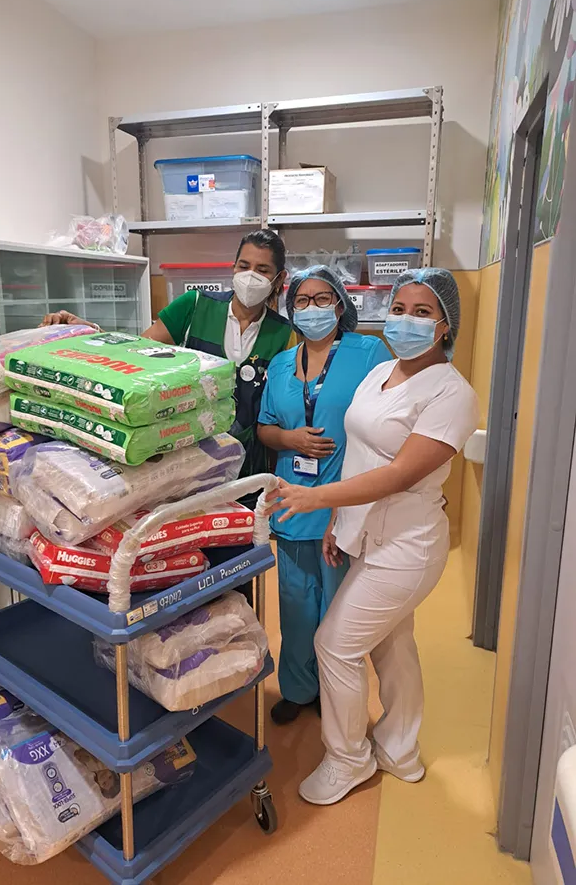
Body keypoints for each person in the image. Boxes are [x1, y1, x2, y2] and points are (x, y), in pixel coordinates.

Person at [268, 268, 479, 805]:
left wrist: (319, 499)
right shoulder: (382, 372)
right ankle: (400, 750)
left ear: (446, 326)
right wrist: (339, 519)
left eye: (423, 312)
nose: (407, 321)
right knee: (392, 644)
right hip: (366, 533)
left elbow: (400, 474)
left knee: (334, 645)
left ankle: (348, 759)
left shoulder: (451, 393)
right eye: (400, 309)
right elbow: (358, 452)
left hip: (407, 545)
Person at [41, 229, 294, 484]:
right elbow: (135, 352)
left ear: (279, 278)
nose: (250, 276)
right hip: (190, 452)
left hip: (248, 461)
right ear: (233, 268)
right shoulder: (196, 305)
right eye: (244, 266)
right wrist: (86, 330)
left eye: (262, 270)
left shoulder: (283, 333)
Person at [257, 266, 391, 726]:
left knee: (339, 612)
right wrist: (290, 439)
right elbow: (265, 427)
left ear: (339, 304)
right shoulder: (280, 364)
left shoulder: (368, 353)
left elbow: (385, 424)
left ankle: (336, 698)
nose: (312, 308)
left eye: (322, 298)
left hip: (345, 505)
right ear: (290, 308)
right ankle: (299, 689)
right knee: (295, 606)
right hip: (292, 504)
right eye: (302, 300)